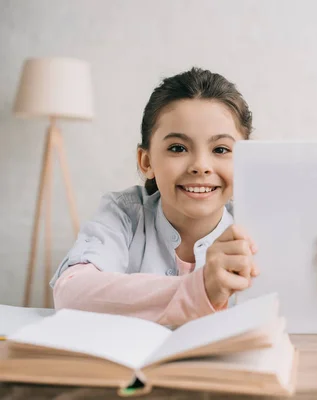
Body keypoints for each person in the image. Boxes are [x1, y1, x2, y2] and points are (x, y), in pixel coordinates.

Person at [51, 67, 258, 327]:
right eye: (178, 148)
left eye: (220, 149)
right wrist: (198, 288)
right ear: (146, 161)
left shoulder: (260, 226)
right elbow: (70, 293)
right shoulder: (124, 214)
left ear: (246, 160)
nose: (201, 166)